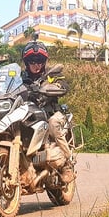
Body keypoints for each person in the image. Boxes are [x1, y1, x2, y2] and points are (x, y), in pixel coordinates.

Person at [21, 40, 74, 183]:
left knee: (53, 123)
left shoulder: (50, 74)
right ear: (27, 63)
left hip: (50, 113)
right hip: (28, 114)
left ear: (44, 62)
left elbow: (63, 85)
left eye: (39, 61)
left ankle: (67, 165)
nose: (36, 64)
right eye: (32, 61)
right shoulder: (20, 78)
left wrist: (53, 87)